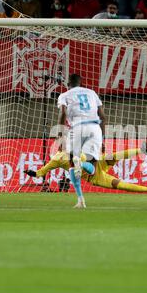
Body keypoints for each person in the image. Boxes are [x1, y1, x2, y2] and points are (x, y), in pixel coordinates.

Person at [24, 143, 147, 194]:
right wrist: (33, 173)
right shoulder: (57, 159)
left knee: (113, 156)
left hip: (98, 163)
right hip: (94, 176)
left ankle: (142, 150)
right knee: (121, 185)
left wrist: (99, 148)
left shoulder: (76, 145)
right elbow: (41, 172)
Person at [57, 74, 106, 208]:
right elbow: (102, 116)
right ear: (81, 83)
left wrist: (61, 137)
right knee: (93, 170)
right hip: (94, 128)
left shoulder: (64, 95)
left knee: (72, 164)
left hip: (76, 128)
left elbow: (62, 114)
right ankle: (82, 164)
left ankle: (80, 200)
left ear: (68, 84)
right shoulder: (92, 93)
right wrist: (103, 139)